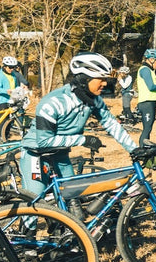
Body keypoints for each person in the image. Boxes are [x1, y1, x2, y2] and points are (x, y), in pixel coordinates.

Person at [18, 53, 137, 205]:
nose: (105, 84)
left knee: (73, 200)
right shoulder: (53, 102)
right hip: (35, 155)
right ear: (84, 79)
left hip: (60, 153)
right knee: (34, 205)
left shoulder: (94, 100)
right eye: (101, 79)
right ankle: (27, 227)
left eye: (106, 79)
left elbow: (111, 124)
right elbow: (43, 141)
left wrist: (134, 149)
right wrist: (83, 139)